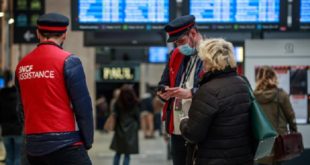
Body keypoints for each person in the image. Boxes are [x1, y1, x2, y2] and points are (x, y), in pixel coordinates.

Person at [15, 13, 93, 165]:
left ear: (38, 33)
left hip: (33, 148)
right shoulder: (69, 61)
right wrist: (87, 140)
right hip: (66, 144)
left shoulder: (22, 65)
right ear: (64, 35)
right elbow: (83, 107)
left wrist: (31, 138)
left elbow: (20, 108)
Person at [180, 38, 254, 165]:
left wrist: (183, 121)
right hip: (243, 157)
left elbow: (194, 134)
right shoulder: (243, 83)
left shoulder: (208, 90)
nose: (202, 65)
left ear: (211, 61)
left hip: (214, 159)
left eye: (204, 61)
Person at [157, 15, 203, 165]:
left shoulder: (211, 55)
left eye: (181, 41)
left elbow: (218, 90)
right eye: (176, 43)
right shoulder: (175, 55)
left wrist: (191, 93)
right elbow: (162, 84)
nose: (179, 46)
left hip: (200, 127)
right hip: (176, 128)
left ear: (193, 34)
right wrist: (164, 92)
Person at [254, 66, 297, 165]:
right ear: (274, 78)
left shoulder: (253, 96)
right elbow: (291, 117)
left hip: (260, 143)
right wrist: (294, 131)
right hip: (279, 143)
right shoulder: (281, 95)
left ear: (258, 79)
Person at [110, 85, 140, 165]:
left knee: (118, 153)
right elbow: (137, 116)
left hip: (119, 129)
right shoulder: (135, 102)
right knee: (127, 154)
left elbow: (115, 115)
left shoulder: (117, 103)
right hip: (131, 130)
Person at [0, 70, 23, 165]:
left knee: (9, 157)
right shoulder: (18, 94)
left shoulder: (1, 95)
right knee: (17, 157)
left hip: (5, 130)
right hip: (18, 130)